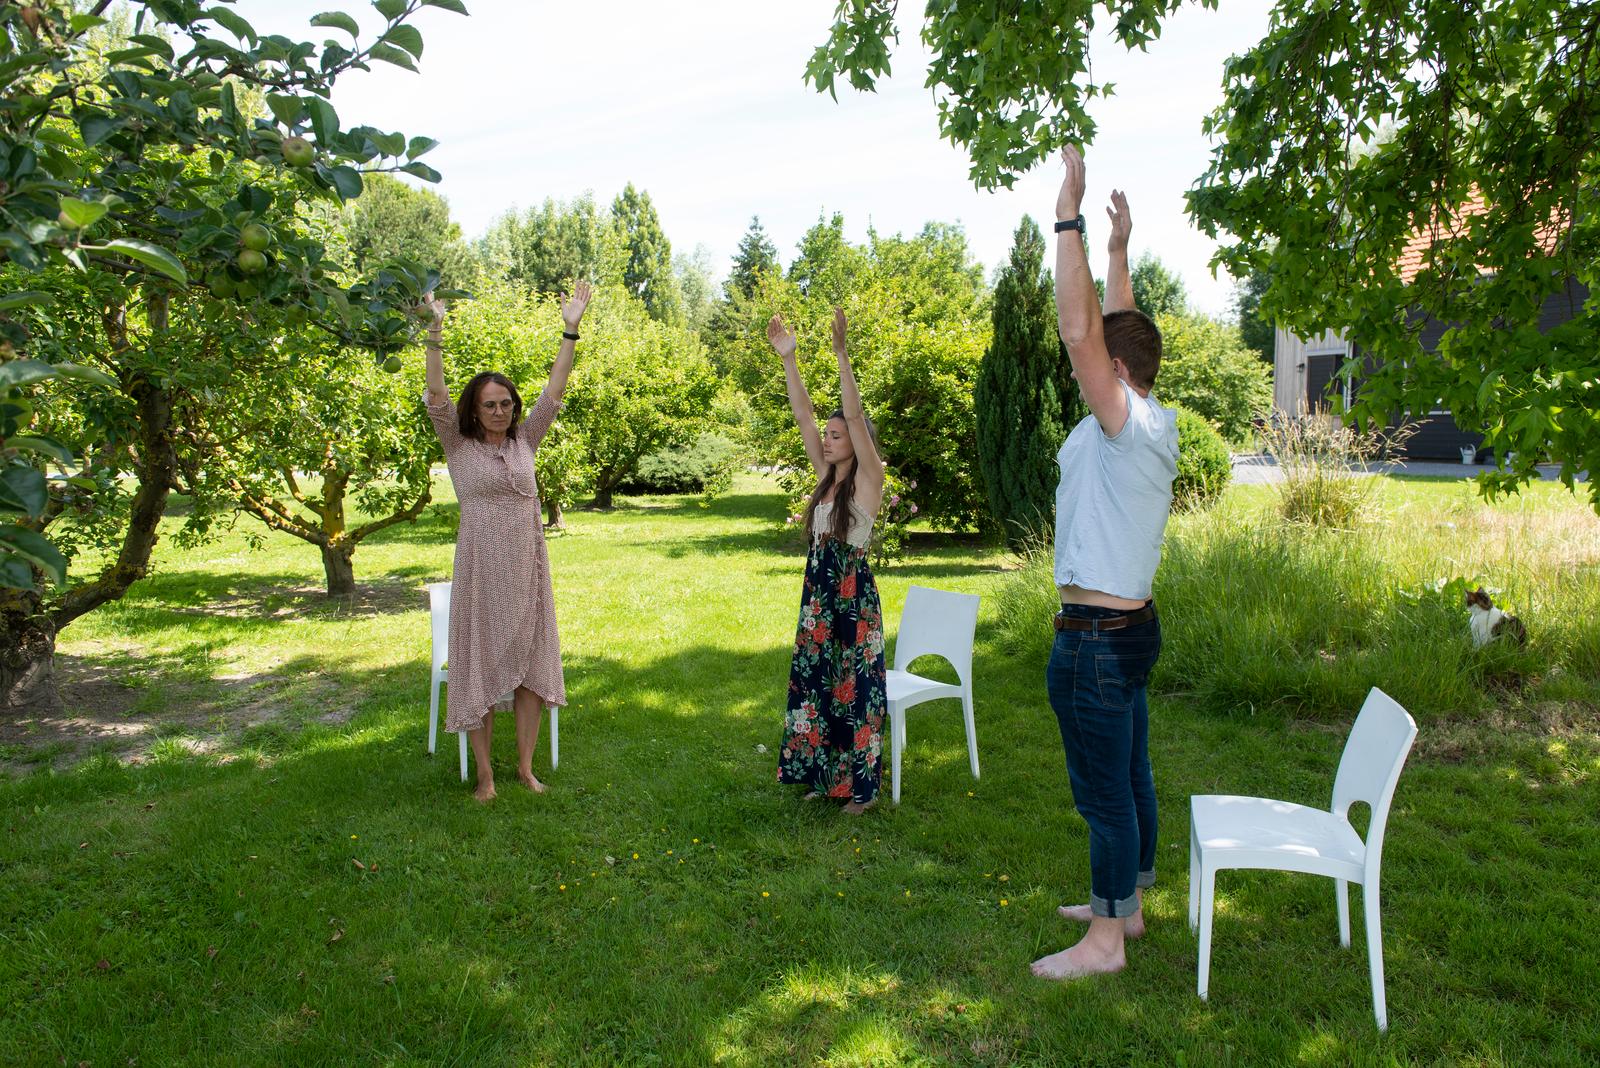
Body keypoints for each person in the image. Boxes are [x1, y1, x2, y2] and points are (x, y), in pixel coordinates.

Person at [1032, 147, 1179, 979]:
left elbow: (1085, 329)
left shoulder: (1122, 421)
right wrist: (1120, 254)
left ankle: (1104, 944)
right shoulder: (1150, 421)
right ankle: (1125, 906)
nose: (1084, 367)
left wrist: (1069, 216)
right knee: (1131, 771)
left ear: (1117, 376)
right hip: (1126, 628)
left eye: (1099, 368)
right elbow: (1117, 327)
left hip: (1093, 637)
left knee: (1105, 793)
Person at [421, 282, 593, 802]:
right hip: (479, 570)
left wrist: (570, 329)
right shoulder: (457, 443)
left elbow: (554, 393)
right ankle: (486, 778)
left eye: (507, 403)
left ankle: (523, 769)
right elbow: (435, 396)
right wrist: (435, 330)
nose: (501, 410)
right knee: (476, 670)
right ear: (474, 410)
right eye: (491, 404)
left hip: (527, 567)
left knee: (530, 670)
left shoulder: (525, 439)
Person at [767, 308, 888, 815]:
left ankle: (860, 790)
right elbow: (803, 416)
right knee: (819, 683)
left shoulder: (867, 480)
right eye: (829, 436)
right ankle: (824, 774)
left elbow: (854, 417)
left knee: (855, 690)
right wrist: (789, 360)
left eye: (836, 436)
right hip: (819, 596)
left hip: (852, 599)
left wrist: (841, 355)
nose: (828, 438)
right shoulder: (826, 478)